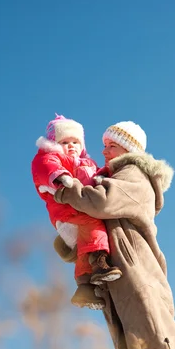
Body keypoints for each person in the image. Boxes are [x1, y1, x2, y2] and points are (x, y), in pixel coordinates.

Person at [52, 121, 175, 349]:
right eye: (103, 146)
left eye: (112, 145)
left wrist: (64, 191)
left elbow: (102, 201)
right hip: (119, 280)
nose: (104, 151)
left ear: (130, 149)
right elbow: (88, 229)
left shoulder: (134, 174)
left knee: (157, 346)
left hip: (137, 275)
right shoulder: (111, 178)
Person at [31, 114, 122, 310]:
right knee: (93, 224)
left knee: (85, 243)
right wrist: (60, 176)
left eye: (75, 141)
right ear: (53, 143)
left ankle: (85, 287)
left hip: (80, 209)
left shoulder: (87, 163)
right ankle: (100, 263)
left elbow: (98, 174)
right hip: (66, 211)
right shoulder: (51, 157)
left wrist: (107, 175)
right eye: (65, 141)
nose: (71, 146)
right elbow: (44, 168)